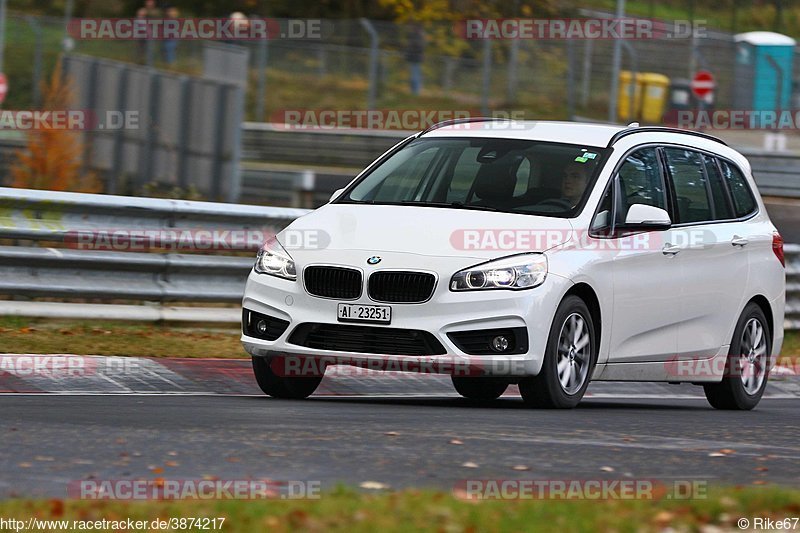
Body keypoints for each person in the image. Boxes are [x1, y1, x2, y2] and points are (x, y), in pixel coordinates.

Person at [405, 25, 425, 95]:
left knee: (414, 74)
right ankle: (415, 92)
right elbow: (419, 47)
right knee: (415, 75)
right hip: (415, 58)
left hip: (414, 57)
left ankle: (414, 91)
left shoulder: (412, 37)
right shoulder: (417, 37)